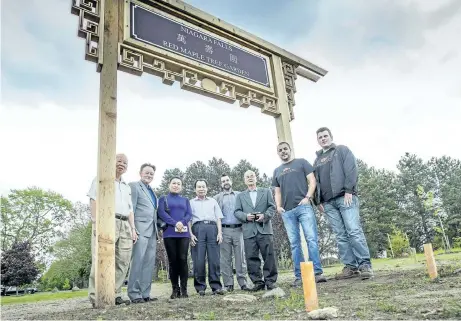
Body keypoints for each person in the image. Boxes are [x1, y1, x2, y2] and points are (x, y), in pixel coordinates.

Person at [313, 127, 373, 280]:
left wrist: (349, 190)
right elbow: (315, 181)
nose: (323, 139)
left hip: (345, 197)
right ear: (318, 141)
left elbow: (351, 169)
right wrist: (317, 200)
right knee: (340, 235)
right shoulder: (317, 160)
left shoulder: (342, 150)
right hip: (328, 203)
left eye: (325, 136)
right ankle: (350, 267)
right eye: (320, 137)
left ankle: (364, 264)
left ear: (331, 137)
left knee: (353, 230)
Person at [272, 142, 327, 287]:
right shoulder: (277, 171)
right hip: (287, 212)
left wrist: (308, 198)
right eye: (280, 150)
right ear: (278, 153)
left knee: (311, 239)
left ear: (290, 150)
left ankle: (317, 273)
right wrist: (278, 206)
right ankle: (299, 276)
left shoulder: (301, 163)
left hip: (304, 207)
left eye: (285, 149)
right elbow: (277, 192)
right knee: (295, 244)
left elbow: (312, 181)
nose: (283, 151)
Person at [87, 153, 138, 307]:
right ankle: (97, 296)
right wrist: (96, 221)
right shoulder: (102, 179)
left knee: (123, 260)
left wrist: (133, 228)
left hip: (125, 224)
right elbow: (93, 198)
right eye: (119, 161)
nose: (122, 164)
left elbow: (130, 209)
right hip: (107, 221)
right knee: (100, 258)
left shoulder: (126, 186)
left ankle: (115, 294)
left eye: (125, 163)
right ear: (112, 161)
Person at [234, 170, 278, 291]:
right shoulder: (240, 196)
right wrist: (246, 217)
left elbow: (272, 207)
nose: (250, 178)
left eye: (252, 176)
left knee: (269, 256)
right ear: (244, 180)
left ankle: (270, 281)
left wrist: (264, 216)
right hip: (249, 230)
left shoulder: (266, 191)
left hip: (265, 229)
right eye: (247, 177)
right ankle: (258, 282)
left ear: (256, 178)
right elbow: (237, 212)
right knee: (251, 257)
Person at [127, 163, 159, 303]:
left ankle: (145, 293)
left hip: (152, 231)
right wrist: (133, 228)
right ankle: (134, 294)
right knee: (138, 262)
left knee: (149, 263)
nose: (149, 175)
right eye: (146, 172)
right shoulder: (134, 186)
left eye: (151, 173)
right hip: (140, 230)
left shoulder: (152, 191)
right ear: (140, 173)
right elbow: (131, 209)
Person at [157, 177, 192, 298]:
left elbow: (189, 214)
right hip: (169, 233)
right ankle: (175, 289)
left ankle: (184, 290)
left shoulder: (185, 200)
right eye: (174, 183)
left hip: (184, 233)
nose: (176, 185)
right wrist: (174, 223)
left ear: (181, 186)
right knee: (173, 261)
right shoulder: (163, 198)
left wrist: (182, 222)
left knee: (183, 260)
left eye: (178, 184)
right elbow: (161, 213)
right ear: (169, 184)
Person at [213, 174, 249, 292]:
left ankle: (243, 282)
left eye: (227, 180)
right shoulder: (216, 198)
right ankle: (228, 284)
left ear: (231, 181)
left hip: (239, 229)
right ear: (221, 184)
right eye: (223, 181)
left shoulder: (240, 195)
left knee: (240, 257)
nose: (225, 182)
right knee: (225, 259)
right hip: (224, 230)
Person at [189, 179, 225, 296]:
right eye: (199, 187)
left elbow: (218, 218)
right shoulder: (191, 202)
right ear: (195, 189)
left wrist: (220, 233)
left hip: (212, 228)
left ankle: (216, 286)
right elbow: (188, 220)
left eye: (203, 186)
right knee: (198, 260)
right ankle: (200, 287)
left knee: (214, 259)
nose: (201, 189)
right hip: (197, 229)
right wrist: (191, 234)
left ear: (207, 188)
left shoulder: (213, 201)